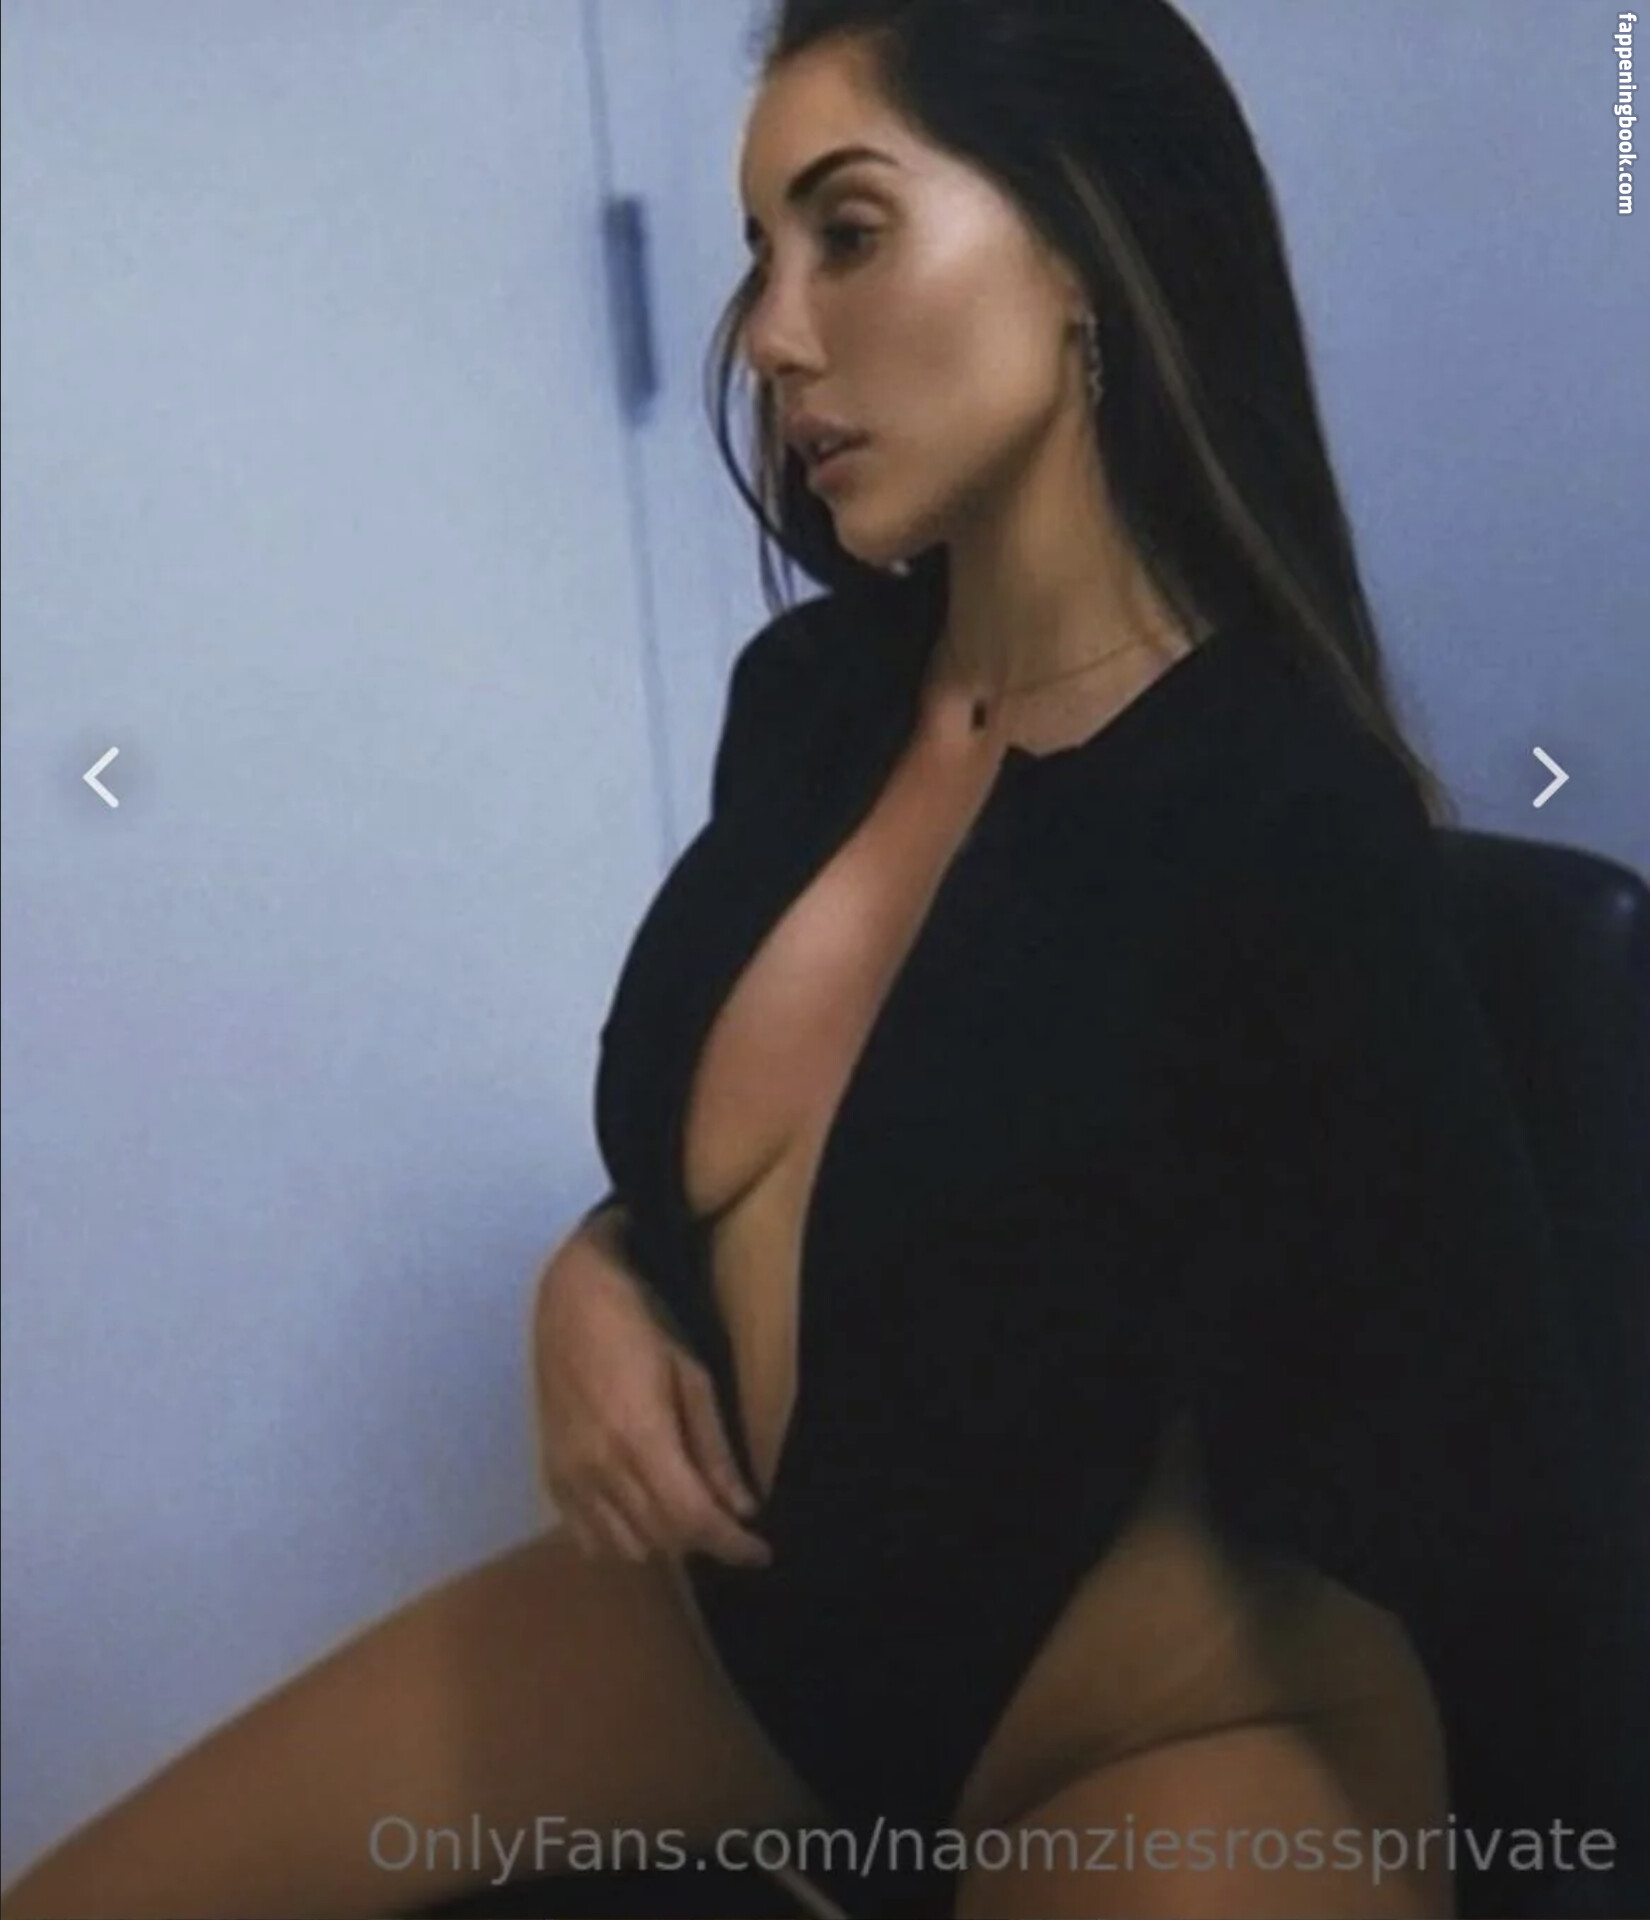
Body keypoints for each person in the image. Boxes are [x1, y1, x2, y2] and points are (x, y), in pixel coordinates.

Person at [4, 3, 1641, 1918]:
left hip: (1183, 1735)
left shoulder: (1276, 806)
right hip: (773, 1648)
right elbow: (820, 1168)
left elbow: (1498, 1490)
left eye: (848, 234)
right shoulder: (810, 706)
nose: (774, 333)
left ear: (1083, 248)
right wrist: (595, 1274)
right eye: (759, 252)